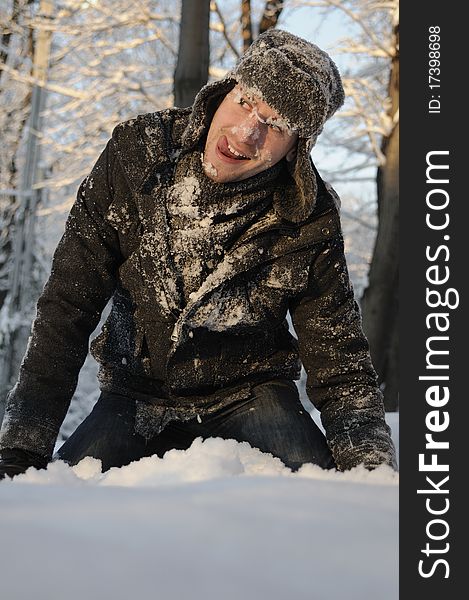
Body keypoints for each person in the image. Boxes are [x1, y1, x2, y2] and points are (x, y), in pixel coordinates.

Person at [0, 29, 397, 480]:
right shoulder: (136, 154)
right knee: (59, 498)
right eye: (247, 101)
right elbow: (65, 311)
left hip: (254, 394)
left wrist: (371, 471)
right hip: (135, 396)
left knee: (324, 501)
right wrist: (19, 452)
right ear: (225, 89)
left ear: (297, 148)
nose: (246, 133)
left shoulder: (309, 216)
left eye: (277, 125)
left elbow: (341, 364)